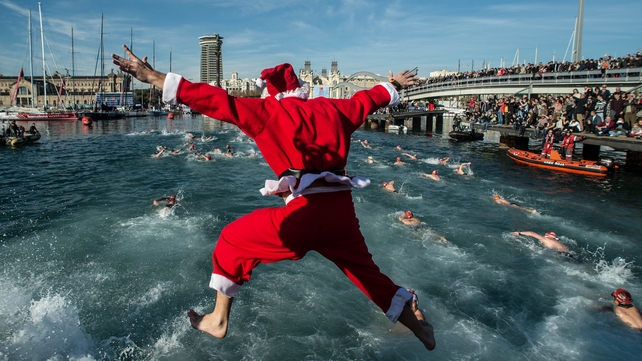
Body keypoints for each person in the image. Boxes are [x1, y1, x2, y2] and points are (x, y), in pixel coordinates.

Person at [113, 45, 435, 350]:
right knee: (371, 278)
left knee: (231, 242)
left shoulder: (269, 111)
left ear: (272, 92)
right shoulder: (334, 107)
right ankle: (420, 329)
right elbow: (368, 99)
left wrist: (157, 78)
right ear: (301, 89)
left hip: (304, 215)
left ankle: (218, 319)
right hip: (342, 216)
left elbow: (217, 101)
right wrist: (392, 83)